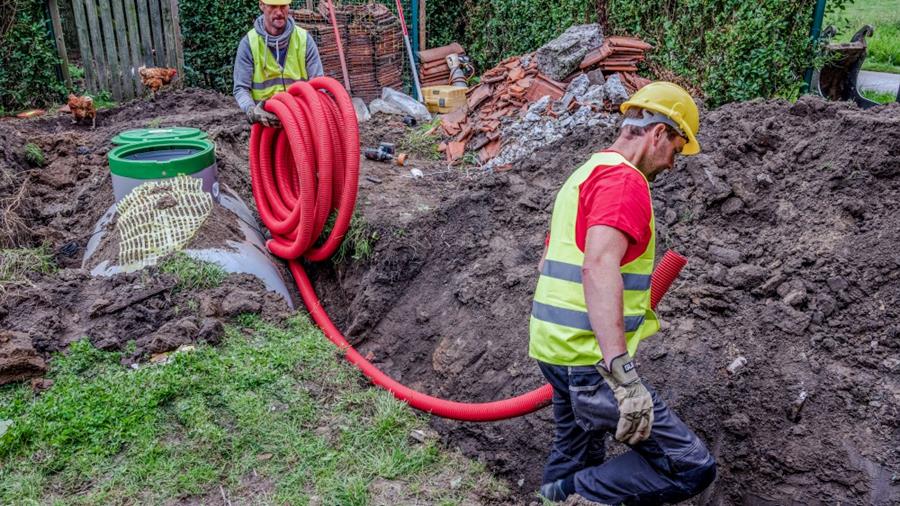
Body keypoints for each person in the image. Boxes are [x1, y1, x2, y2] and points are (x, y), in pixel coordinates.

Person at [530, 82, 717, 504]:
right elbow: (598, 266)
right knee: (690, 465)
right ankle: (570, 495)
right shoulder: (624, 182)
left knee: (576, 449)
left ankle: (557, 495)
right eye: (676, 149)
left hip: (555, 350)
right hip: (589, 361)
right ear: (658, 135)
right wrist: (622, 374)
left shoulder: (585, 173)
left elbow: (547, 263)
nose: (672, 164)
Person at [233, 0, 325, 128]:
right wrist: (251, 110)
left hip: (302, 122)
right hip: (266, 125)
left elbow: (319, 85)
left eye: (283, 6)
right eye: (273, 6)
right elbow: (241, 88)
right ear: (262, 5)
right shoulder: (249, 44)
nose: (279, 12)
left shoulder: (304, 40)